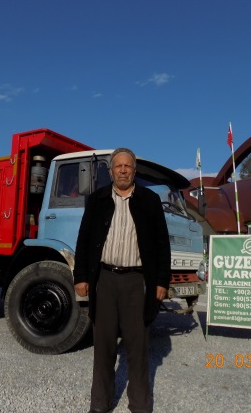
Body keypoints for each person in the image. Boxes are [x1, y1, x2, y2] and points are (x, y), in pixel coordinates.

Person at [74, 147, 171, 413]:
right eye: (119, 166)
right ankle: (100, 404)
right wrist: (80, 276)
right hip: (104, 280)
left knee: (138, 348)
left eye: (128, 166)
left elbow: (162, 243)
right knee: (103, 347)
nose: (123, 170)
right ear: (111, 171)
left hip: (136, 283)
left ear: (134, 171)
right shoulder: (97, 200)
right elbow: (84, 240)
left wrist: (161, 281)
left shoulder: (149, 200)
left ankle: (140, 405)